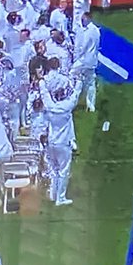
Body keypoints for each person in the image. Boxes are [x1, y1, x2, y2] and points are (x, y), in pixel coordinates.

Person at [39, 77, 82, 206]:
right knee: (63, 171)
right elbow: (76, 95)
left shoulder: (50, 106)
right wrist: (79, 82)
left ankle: (53, 194)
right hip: (63, 143)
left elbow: (44, 94)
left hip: (52, 142)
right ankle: (60, 198)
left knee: (54, 170)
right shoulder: (66, 107)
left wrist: (41, 82)